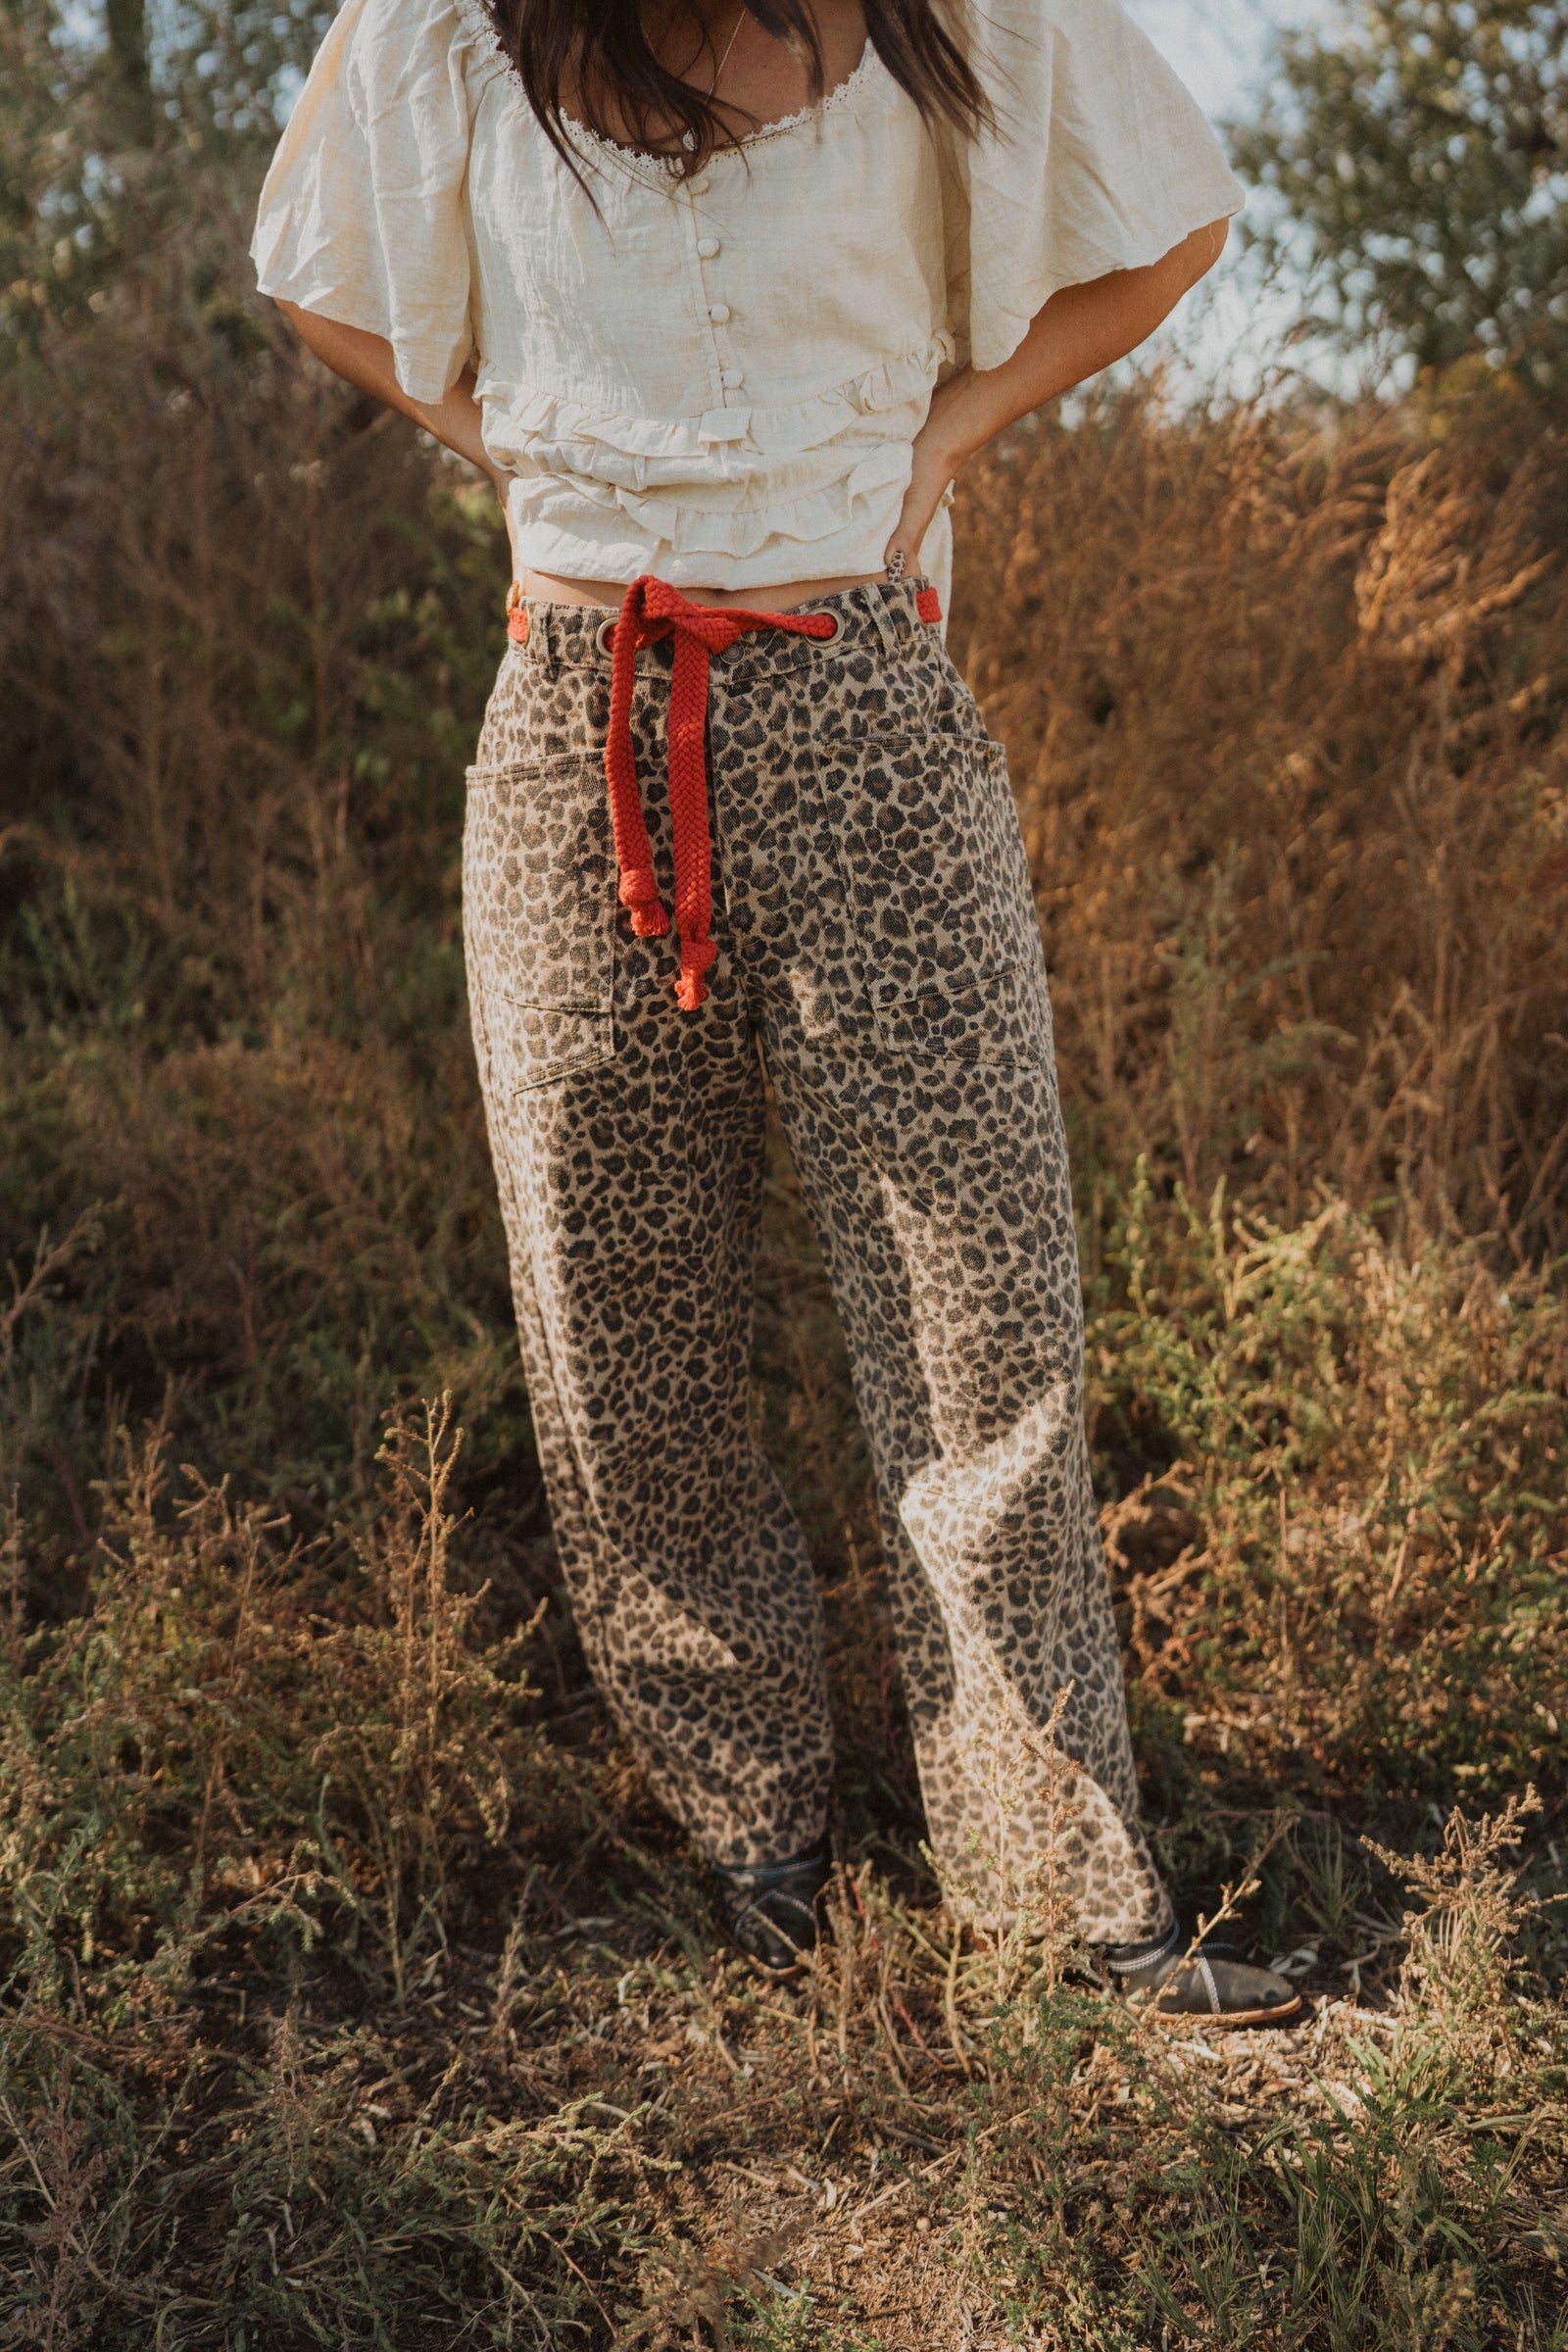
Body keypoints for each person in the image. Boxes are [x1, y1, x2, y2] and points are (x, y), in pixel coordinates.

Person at [253, 0, 1299, 2023]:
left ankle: (1056, 1895)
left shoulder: (952, 17)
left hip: (861, 694)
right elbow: (315, 274)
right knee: (615, 1300)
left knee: (977, 1310)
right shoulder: (448, 28)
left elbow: (1167, 226)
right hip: (579, 721)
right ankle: (756, 1833)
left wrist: (945, 436)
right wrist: (511, 449)